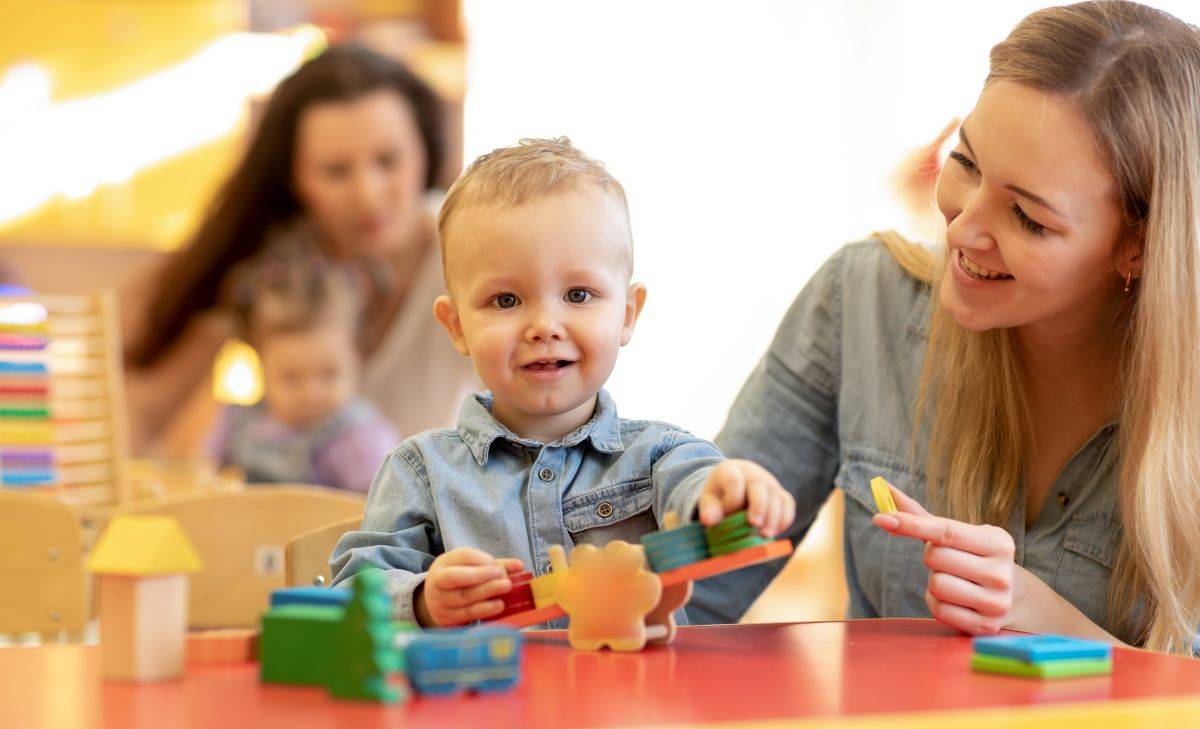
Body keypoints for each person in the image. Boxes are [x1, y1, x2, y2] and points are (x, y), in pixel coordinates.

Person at [688, 1, 1200, 655]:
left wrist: (1055, 623)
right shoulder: (860, 300)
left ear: (1138, 245)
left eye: (1027, 217)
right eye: (967, 164)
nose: (960, 229)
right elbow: (698, 579)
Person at [329, 138, 795, 627]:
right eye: (506, 300)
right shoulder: (420, 471)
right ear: (457, 327)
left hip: (632, 700)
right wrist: (422, 601)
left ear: (627, 315)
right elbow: (353, 592)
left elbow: (700, 487)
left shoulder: (660, 454)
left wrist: (731, 489)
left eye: (578, 294)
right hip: (488, 698)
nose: (544, 325)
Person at [122, 44, 477, 456]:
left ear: (425, 151)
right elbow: (143, 410)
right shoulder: (271, 267)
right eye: (335, 171)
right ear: (294, 178)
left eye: (388, 160)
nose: (368, 193)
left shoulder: (471, 250)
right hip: (297, 511)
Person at [206, 235, 398, 493]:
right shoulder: (238, 421)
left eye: (329, 375)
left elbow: (381, 510)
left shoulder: (359, 437)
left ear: (357, 359)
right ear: (261, 365)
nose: (311, 393)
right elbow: (204, 476)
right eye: (290, 378)